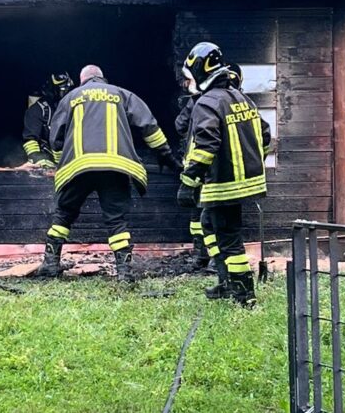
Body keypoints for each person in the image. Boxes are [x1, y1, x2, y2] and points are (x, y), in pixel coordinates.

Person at [36, 64, 180, 282]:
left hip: (78, 168)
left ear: (82, 80)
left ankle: (49, 265)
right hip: (115, 168)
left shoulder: (71, 98)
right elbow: (150, 127)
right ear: (102, 78)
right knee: (116, 221)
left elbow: (55, 137)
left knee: (63, 215)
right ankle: (124, 272)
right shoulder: (122, 94)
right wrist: (168, 158)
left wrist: (60, 165)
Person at [178, 44, 272, 307]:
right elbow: (265, 136)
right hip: (246, 183)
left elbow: (205, 145)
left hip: (223, 186)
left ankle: (244, 295)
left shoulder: (206, 102)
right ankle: (225, 280)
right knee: (209, 224)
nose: (187, 83)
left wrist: (188, 181)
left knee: (229, 239)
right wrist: (254, 164)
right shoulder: (241, 98)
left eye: (189, 76)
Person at [174, 76, 207, 270]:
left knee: (200, 214)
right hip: (217, 170)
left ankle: (202, 255)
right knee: (204, 214)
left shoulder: (196, 102)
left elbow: (180, 126)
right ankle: (205, 257)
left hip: (198, 167)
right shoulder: (232, 99)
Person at [22, 72, 75, 167]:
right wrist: (39, 159)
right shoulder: (38, 110)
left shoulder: (77, 107)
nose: (65, 94)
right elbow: (30, 139)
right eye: (61, 90)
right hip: (48, 160)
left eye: (67, 90)